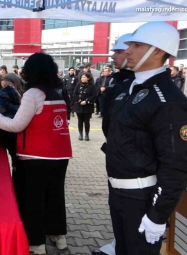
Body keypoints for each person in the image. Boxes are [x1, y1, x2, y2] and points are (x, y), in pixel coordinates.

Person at [106, 21, 187, 255]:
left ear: (158, 51)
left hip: (142, 198)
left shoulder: (167, 100)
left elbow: (176, 164)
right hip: (118, 193)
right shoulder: (129, 88)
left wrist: (157, 214)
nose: (128, 50)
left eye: (137, 45)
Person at [0, 53, 72, 255]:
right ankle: (59, 237)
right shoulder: (57, 93)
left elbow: (16, 125)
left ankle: (36, 243)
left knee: (34, 200)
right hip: (60, 154)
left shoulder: (33, 94)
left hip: (36, 156)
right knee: (55, 195)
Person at [93, 32, 135, 255]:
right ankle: (119, 242)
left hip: (132, 159)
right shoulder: (117, 81)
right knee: (116, 203)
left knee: (130, 208)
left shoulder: (136, 83)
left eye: (119, 51)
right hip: (115, 152)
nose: (114, 55)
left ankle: (125, 244)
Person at [73, 72, 97, 141]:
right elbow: (75, 94)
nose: (82, 79)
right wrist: (79, 101)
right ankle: (80, 134)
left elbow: (94, 95)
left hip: (88, 106)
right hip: (79, 105)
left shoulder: (92, 86)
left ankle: (87, 134)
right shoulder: (78, 84)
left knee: (87, 121)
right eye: (82, 77)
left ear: (88, 78)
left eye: (84, 77)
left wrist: (86, 101)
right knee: (80, 121)